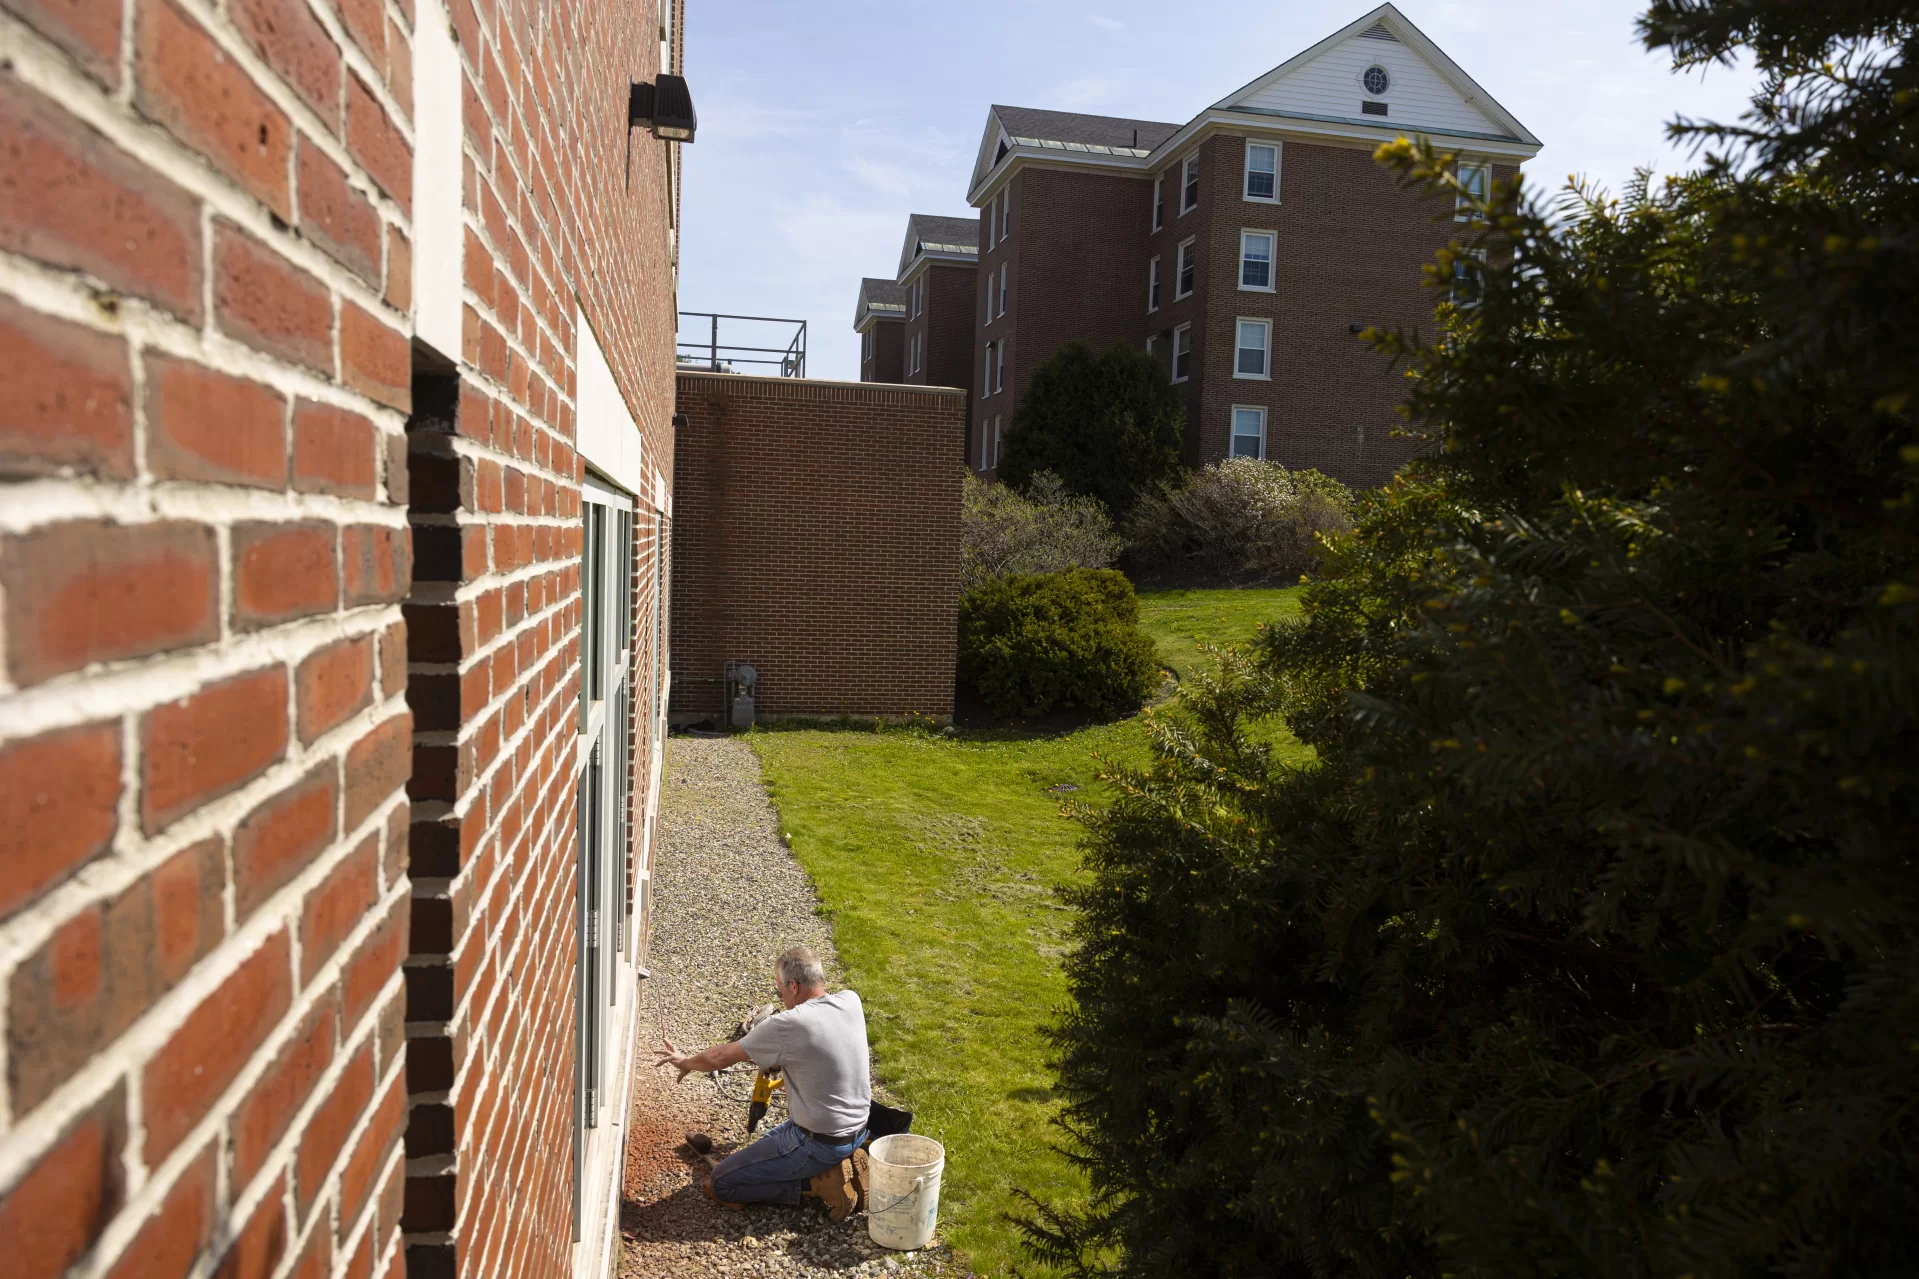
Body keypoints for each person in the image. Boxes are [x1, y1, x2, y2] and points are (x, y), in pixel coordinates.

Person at [654, 946, 872, 1218]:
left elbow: (721, 1056)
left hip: (818, 1143)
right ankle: (830, 1165)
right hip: (859, 1129)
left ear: (793, 985)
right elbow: (825, 1049)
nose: (780, 995)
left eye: (780, 988)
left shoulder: (788, 1024)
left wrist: (685, 1061)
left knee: (721, 1184)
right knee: (759, 1152)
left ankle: (813, 1186)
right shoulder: (850, 1000)